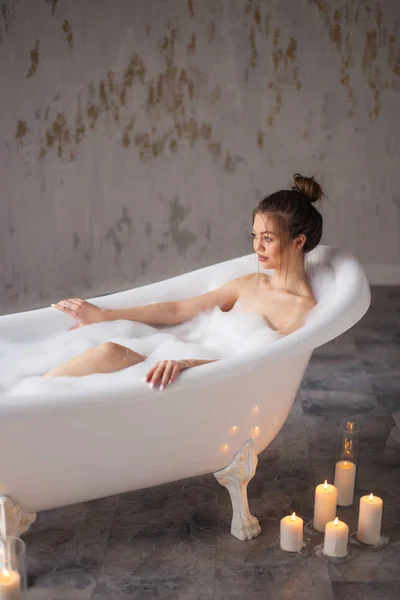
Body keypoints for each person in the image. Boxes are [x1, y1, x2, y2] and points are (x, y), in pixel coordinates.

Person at [45, 173, 324, 388]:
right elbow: (179, 310)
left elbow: (259, 365)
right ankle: (24, 401)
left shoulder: (302, 309)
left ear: (298, 241)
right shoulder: (251, 283)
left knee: (108, 353)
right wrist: (103, 315)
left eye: (268, 238)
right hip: (177, 358)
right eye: (254, 236)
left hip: (204, 379)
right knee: (107, 350)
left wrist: (189, 363)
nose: (257, 247)